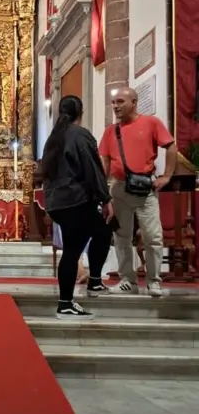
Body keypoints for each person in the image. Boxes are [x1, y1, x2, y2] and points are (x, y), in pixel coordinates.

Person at [99, 87, 177, 297]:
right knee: (122, 236)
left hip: (145, 188)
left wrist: (166, 176)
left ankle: (154, 281)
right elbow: (105, 161)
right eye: (114, 102)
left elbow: (170, 146)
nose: (115, 106)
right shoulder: (110, 131)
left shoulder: (151, 123)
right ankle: (127, 280)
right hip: (119, 188)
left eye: (120, 102)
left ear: (134, 102)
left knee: (152, 236)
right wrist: (101, 189)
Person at [42, 95, 114, 319]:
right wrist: (105, 198)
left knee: (95, 233)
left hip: (56, 202)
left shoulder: (53, 138)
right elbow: (93, 169)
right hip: (76, 200)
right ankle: (70, 300)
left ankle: (88, 286)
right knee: (77, 248)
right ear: (80, 112)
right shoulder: (80, 135)